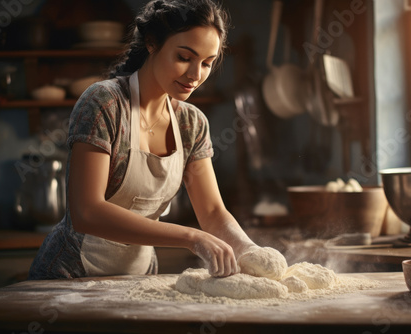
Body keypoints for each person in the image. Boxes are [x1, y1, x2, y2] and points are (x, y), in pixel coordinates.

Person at [28, 0, 261, 280]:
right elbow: (86, 212)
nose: (195, 75)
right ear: (151, 43)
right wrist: (191, 237)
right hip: (69, 274)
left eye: (207, 63)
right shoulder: (104, 103)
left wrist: (249, 250)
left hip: (139, 276)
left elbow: (211, 211)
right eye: (184, 58)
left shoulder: (191, 123)